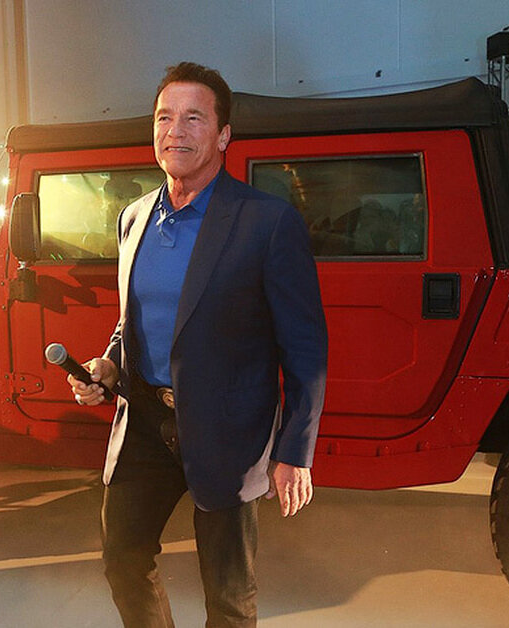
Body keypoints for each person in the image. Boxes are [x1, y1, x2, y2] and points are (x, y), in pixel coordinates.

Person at [67, 62, 327, 627]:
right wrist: (109, 364)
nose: (175, 131)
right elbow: (131, 320)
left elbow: (305, 350)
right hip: (144, 423)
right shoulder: (134, 217)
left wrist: (294, 452)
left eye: (193, 118)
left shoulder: (267, 222)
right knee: (123, 559)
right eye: (164, 117)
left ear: (223, 134)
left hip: (229, 430)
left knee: (229, 597)